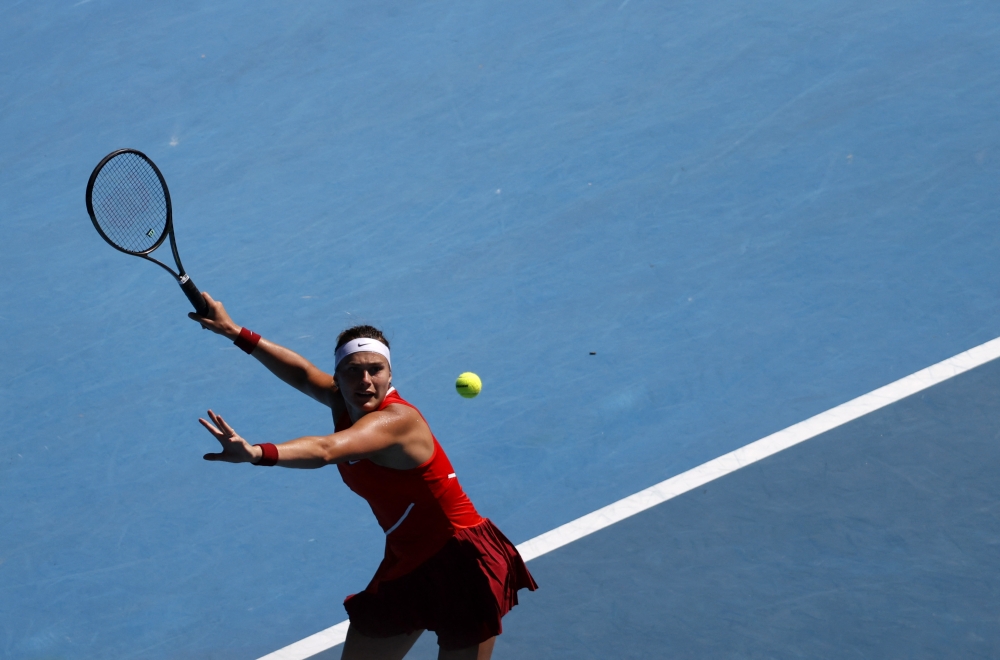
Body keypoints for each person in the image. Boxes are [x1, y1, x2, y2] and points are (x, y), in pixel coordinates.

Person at [190, 293, 537, 660]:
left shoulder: (397, 421)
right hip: (407, 560)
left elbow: (326, 450)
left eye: (376, 370)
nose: (366, 380)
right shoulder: (345, 402)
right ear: (338, 378)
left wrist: (258, 453)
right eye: (353, 370)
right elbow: (302, 373)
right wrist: (233, 331)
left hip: (461, 558)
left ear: (390, 375)